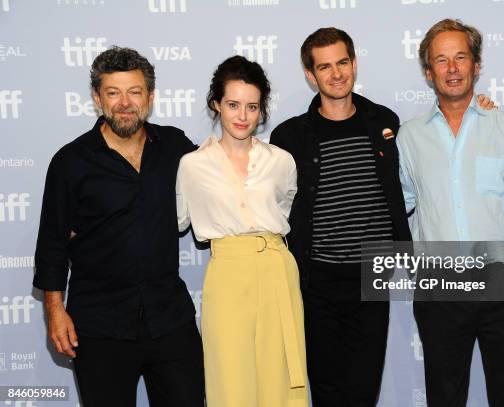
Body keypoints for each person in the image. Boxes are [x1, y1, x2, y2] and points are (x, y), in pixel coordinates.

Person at [33, 46, 205, 407]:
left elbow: (221, 178)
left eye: (134, 92)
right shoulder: (70, 161)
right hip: (98, 327)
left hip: (170, 321)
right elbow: (52, 243)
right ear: (97, 98)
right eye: (113, 92)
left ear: (150, 97)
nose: (124, 103)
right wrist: (54, 309)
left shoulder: (175, 146)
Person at [396, 19, 504, 407]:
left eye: (460, 57)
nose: (452, 68)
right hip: (440, 291)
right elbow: (402, 205)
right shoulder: (409, 137)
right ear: (429, 72)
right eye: (441, 60)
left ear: (476, 65)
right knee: (444, 398)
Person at [269, 27, 411, 407]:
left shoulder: (385, 123)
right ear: (309, 75)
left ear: (354, 63)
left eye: (342, 63)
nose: (335, 74)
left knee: (364, 391)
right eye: (324, 66)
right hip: (317, 283)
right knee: (328, 391)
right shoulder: (289, 136)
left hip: (371, 278)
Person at [176, 55, 308, 407]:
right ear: (216, 104)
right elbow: (175, 221)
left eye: (252, 106)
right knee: (231, 379)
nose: (242, 116)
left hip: (278, 270)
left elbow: (284, 207)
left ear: (261, 109)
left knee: (281, 379)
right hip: (228, 273)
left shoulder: (281, 161)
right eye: (233, 104)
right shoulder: (192, 165)